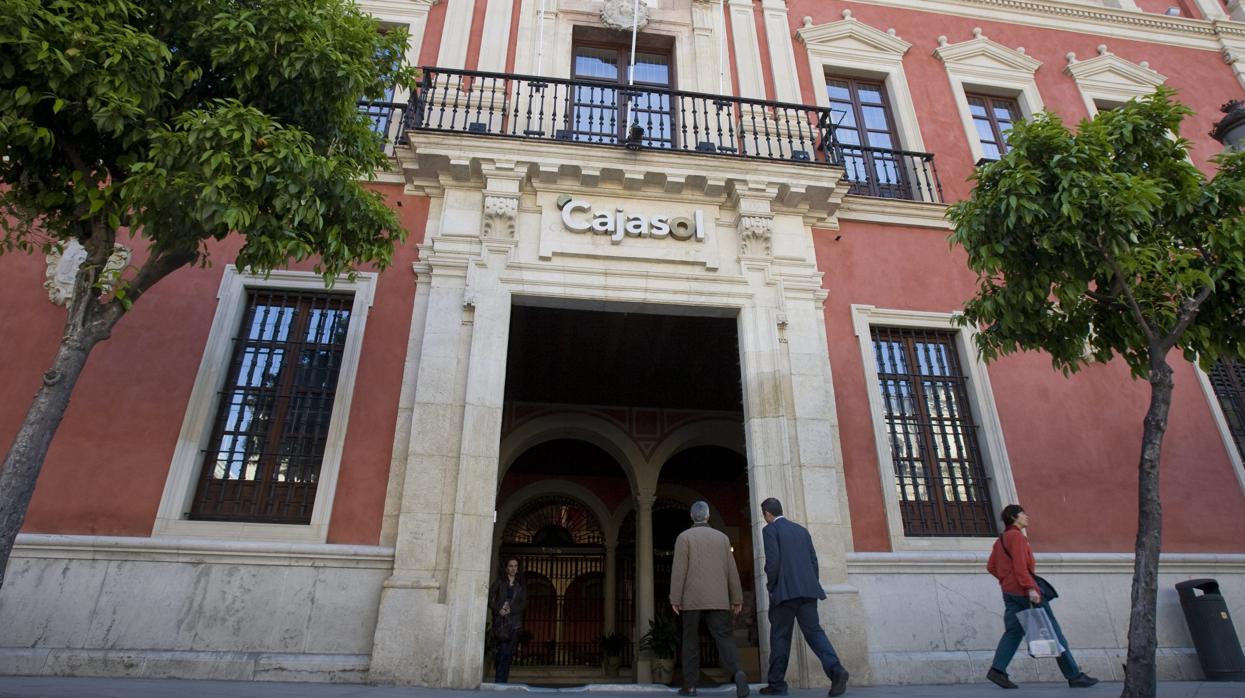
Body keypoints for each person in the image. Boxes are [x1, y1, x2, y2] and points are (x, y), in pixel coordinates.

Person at [986, 504, 1099, 690]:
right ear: (1014, 517)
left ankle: (997, 670)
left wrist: (1007, 580)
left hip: (1010, 593)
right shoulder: (1017, 538)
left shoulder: (1000, 540)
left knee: (1013, 632)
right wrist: (1029, 587)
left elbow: (991, 567)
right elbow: (1021, 567)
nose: (1027, 517)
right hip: (1025, 592)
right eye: (1023, 514)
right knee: (1052, 631)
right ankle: (1074, 675)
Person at [758, 497, 849, 697]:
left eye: (763, 514)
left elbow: (773, 563)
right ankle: (836, 670)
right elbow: (813, 561)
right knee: (815, 633)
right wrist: (811, 584)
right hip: (808, 592)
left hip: (784, 593)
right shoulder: (801, 530)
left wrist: (771, 587)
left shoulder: (770, 530)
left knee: (780, 636)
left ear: (767, 513)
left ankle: (777, 684)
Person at [669, 501, 750, 698]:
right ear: (707, 517)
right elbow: (732, 570)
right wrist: (737, 598)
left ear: (692, 516)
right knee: (724, 638)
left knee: (690, 641)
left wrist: (675, 598)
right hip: (719, 598)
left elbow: (679, 570)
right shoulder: (722, 538)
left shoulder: (684, 537)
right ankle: (738, 672)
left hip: (691, 598)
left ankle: (690, 686)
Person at [488, 557, 527, 683]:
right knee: (502, 651)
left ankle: (503, 680)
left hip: (514, 623)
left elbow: (524, 603)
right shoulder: (499, 582)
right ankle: (499, 681)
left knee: (508, 653)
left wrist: (511, 609)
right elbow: (490, 599)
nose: (513, 568)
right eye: (511, 566)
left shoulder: (520, 585)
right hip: (501, 623)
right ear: (506, 568)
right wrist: (499, 609)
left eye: (515, 566)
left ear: (518, 568)